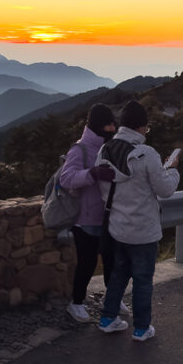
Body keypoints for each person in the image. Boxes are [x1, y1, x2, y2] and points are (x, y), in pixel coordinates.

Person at [95, 100, 180, 341]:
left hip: (117, 227)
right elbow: (165, 190)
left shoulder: (105, 150)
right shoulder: (146, 154)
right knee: (143, 279)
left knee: (119, 274)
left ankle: (107, 318)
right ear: (142, 127)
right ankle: (141, 329)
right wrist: (172, 169)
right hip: (143, 230)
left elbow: (103, 189)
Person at [59, 103, 123, 323]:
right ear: (98, 124)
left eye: (113, 123)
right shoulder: (80, 148)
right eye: (108, 124)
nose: (112, 127)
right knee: (86, 264)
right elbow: (66, 179)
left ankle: (113, 299)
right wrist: (93, 174)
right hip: (84, 220)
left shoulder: (110, 146)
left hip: (107, 216)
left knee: (111, 261)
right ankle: (76, 303)